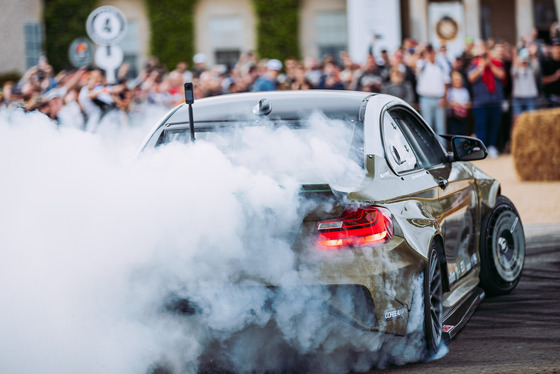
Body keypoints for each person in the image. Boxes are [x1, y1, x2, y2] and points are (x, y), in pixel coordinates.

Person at [468, 44, 505, 158]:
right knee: (481, 126)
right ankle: (481, 148)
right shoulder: (474, 65)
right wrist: (481, 67)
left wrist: (490, 65)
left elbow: (501, 75)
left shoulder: (497, 64)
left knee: (494, 125)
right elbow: (471, 78)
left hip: (494, 101)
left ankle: (491, 146)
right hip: (480, 102)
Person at [415, 44, 450, 136]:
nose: (430, 54)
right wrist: (420, 51)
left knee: (441, 127)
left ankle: (442, 148)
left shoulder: (441, 66)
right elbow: (413, 63)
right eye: (428, 52)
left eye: (431, 52)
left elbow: (446, 83)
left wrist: (444, 97)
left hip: (439, 98)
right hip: (425, 98)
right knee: (427, 126)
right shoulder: (422, 64)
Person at [511, 48, 540, 119]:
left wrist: (533, 55)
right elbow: (514, 69)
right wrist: (515, 56)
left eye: (525, 60)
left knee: (531, 120)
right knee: (517, 121)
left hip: (530, 97)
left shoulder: (531, 70)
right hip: (518, 98)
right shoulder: (516, 70)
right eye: (523, 60)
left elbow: (536, 67)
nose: (524, 62)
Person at [446, 71, 470, 135]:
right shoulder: (449, 91)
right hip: (453, 118)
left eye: (459, 79)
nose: (457, 81)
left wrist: (460, 106)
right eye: (455, 79)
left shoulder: (465, 91)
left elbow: (468, 104)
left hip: (462, 118)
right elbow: (447, 103)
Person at [541, 38, 560, 107]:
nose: (558, 50)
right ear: (552, 49)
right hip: (550, 98)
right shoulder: (546, 63)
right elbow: (543, 80)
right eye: (556, 47)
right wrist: (555, 76)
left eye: (559, 47)